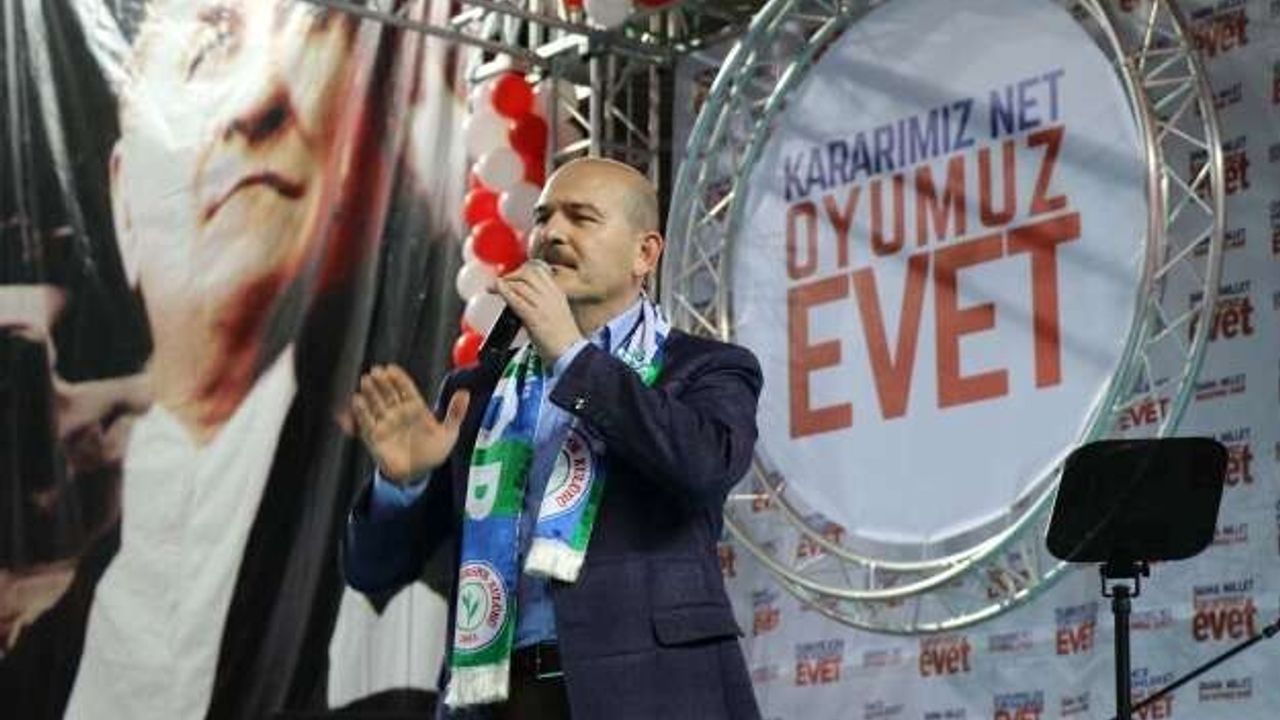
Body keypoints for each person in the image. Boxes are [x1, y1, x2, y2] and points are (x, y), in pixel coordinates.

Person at [1, 1, 440, 717]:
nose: (259, 105)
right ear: (123, 205)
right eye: (206, 57)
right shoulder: (42, 640)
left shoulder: (388, 547)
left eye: (290, 67)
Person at [345, 157, 765, 719]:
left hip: (649, 692)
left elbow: (704, 466)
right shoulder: (478, 392)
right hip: (497, 701)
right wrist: (404, 483)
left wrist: (571, 355)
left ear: (644, 254)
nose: (553, 233)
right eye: (543, 217)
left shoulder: (705, 367)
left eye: (581, 217)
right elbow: (372, 571)